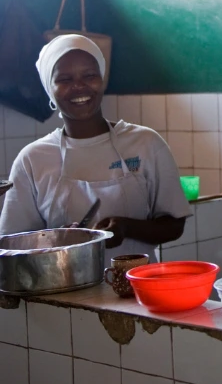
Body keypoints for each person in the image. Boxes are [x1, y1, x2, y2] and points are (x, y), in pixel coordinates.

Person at [0, 35, 191, 263]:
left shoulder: (146, 143)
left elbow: (175, 225)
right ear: (49, 90)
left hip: (136, 291)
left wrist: (127, 227)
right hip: (60, 292)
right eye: (64, 79)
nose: (79, 86)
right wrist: (56, 239)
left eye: (90, 75)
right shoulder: (32, 159)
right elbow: (13, 243)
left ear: (102, 79)